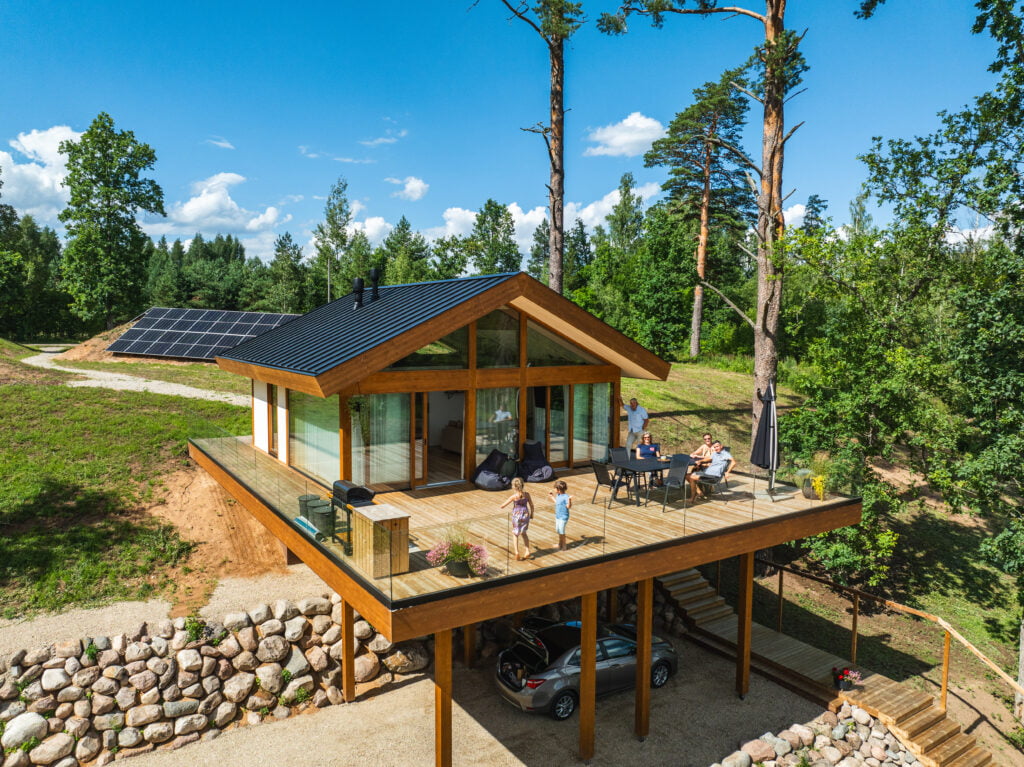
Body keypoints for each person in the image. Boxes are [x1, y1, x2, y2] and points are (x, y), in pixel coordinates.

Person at [500, 476, 534, 560]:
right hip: (525, 515)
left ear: (514, 487)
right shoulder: (527, 495)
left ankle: (517, 552)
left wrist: (502, 505)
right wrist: (532, 514)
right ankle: (527, 551)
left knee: (515, 534)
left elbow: (502, 506)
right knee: (524, 533)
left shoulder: (514, 497)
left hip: (516, 516)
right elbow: (532, 505)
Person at [548, 480, 572, 551]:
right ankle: (559, 544)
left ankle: (564, 545)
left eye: (555, 488)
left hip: (563, 517)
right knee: (558, 530)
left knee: (562, 531)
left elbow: (568, 506)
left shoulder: (566, 497)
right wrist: (552, 497)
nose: (554, 489)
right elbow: (557, 502)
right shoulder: (558, 495)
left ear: (558, 490)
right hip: (558, 516)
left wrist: (569, 500)